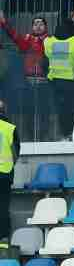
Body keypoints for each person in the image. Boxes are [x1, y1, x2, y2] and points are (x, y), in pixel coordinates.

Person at [43, 9, 74, 141]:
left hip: (54, 84)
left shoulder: (49, 42)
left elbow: (44, 63)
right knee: (70, 111)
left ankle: (59, 136)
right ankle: (68, 135)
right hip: (71, 84)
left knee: (57, 111)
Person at [0, 99, 18, 251]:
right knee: (4, 207)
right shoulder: (10, 128)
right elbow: (16, 153)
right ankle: (4, 240)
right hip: (5, 174)